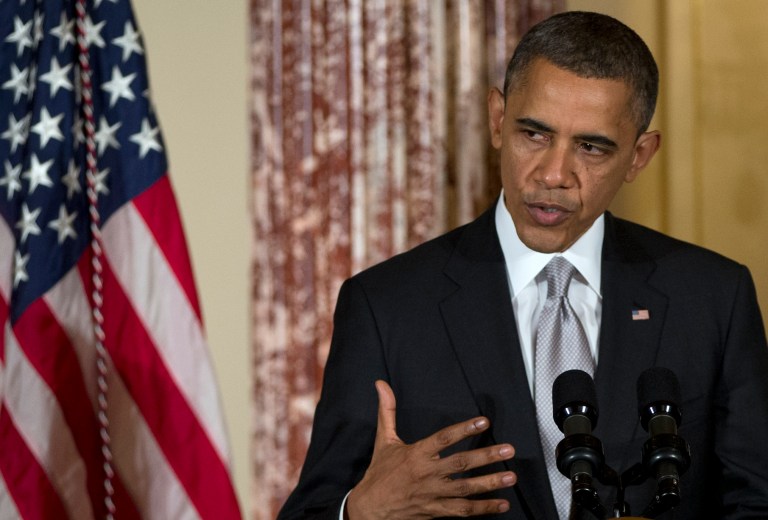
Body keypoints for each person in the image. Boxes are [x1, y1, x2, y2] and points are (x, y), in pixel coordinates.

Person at [277, 11, 768, 520]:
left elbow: (755, 500)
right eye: (534, 134)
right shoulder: (386, 306)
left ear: (639, 156)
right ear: (497, 119)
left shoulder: (713, 297)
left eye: (591, 147)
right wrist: (359, 510)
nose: (554, 173)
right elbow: (309, 510)